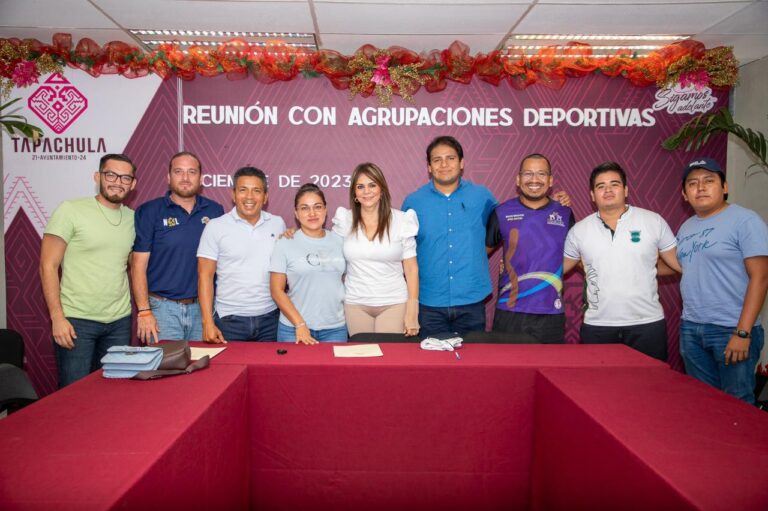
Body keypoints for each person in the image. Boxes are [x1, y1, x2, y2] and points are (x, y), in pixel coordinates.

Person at [563, 161, 679, 361]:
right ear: (592, 195)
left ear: (625, 190)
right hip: (597, 326)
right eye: (601, 186)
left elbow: (678, 264)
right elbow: (557, 268)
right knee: (600, 390)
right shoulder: (579, 231)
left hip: (647, 324)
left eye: (614, 184)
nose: (608, 190)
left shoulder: (653, 221)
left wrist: (644, 268)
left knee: (651, 389)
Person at [675, 157, 768, 404]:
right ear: (685, 194)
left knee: (737, 406)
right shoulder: (686, 227)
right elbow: (679, 266)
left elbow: (761, 277)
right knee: (704, 404)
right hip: (692, 329)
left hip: (731, 329)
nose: (701, 187)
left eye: (709, 181)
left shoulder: (745, 221)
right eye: (693, 183)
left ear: (724, 187)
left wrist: (743, 332)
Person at [39, 154, 137, 387]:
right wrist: (57, 318)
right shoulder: (71, 210)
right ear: (98, 177)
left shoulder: (134, 219)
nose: (117, 182)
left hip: (119, 322)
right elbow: (47, 266)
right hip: (76, 321)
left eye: (125, 177)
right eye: (111, 174)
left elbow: (135, 268)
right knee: (74, 395)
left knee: (112, 393)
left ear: (133, 184)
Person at [402, 136, 497, 337]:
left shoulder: (483, 196)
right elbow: (404, 249)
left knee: (472, 366)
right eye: (437, 160)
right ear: (429, 167)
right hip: (429, 302)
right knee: (432, 366)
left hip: (471, 299)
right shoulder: (413, 202)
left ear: (461, 163)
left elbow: (506, 225)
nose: (444, 164)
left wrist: (556, 201)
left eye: (450, 158)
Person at [131, 152, 224, 343]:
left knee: (204, 370)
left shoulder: (215, 211)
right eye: (178, 172)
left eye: (191, 172)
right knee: (166, 370)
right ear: (168, 177)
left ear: (201, 179)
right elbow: (137, 266)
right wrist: (144, 311)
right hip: (162, 310)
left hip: (203, 310)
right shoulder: (149, 211)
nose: (185, 178)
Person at [486, 153, 574, 343]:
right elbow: (480, 255)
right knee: (507, 371)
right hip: (510, 311)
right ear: (518, 179)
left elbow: (578, 257)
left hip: (551, 312)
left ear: (550, 181)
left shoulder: (565, 213)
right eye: (528, 174)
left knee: (549, 370)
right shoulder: (502, 212)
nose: (534, 180)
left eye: (541, 174)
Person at [197, 167, 286, 343]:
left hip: (271, 319)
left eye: (257, 190)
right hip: (229, 322)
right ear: (233, 194)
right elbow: (205, 276)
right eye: (243, 190)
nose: (249, 197)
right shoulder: (215, 226)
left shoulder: (277, 223)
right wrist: (207, 321)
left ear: (266, 196)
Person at [332, 163, 420, 337]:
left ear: (382, 189)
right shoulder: (345, 220)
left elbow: (411, 269)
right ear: (354, 194)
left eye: (372, 185)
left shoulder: (402, 220)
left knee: (389, 360)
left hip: (394, 303)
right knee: (362, 360)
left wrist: (412, 310)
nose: (367, 191)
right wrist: (295, 234)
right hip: (355, 303)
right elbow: (325, 247)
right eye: (360, 186)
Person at [269, 183, 347, 344]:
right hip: (293, 328)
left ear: (325, 210)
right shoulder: (284, 243)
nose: (312, 213)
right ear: (296, 213)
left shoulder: (340, 241)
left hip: (335, 328)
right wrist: (300, 324)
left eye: (317, 207)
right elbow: (276, 290)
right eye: (304, 208)